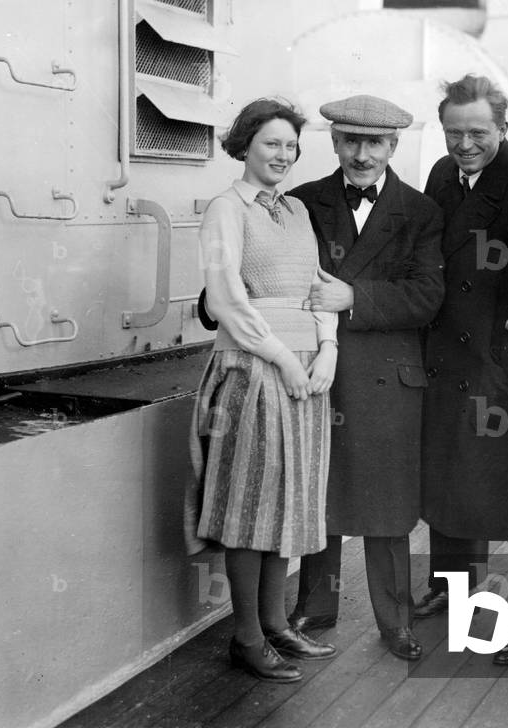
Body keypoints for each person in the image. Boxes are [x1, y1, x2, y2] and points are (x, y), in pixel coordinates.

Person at [184, 98, 339, 684]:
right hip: (253, 368)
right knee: (252, 504)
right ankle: (246, 637)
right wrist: (283, 359)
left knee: (291, 497)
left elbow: (319, 288)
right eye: (272, 143)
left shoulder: (296, 210)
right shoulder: (226, 209)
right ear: (245, 144)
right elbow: (224, 299)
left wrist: (328, 349)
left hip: (306, 369)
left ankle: (276, 624)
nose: (283, 154)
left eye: (291, 145)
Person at [287, 94, 445, 661]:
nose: (360, 154)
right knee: (321, 493)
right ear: (333, 142)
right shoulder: (302, 203)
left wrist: (354, 296)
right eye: (350, 140)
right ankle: (316, 607)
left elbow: (428, 297)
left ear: (393, 146)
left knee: (388, 506)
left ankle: (395, 621)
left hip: (388, 378)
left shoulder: (421, 213)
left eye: (373, 142)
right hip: (318, 366)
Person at [416, 74, 508, 665]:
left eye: (477, 132)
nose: (464, 144)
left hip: (504, 362)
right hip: (449, 356)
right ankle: (450, 591)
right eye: (453, 132)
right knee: (449, 477)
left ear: (502, 127)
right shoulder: (443, 176)